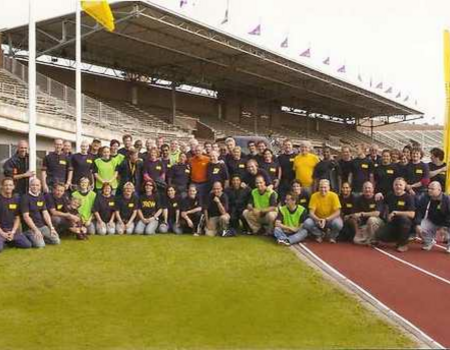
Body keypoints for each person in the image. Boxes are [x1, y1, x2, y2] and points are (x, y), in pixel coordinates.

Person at [374, 177, 415, 252]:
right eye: (396, 184)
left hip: (405, 224)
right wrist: (379, 195)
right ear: (393, 186)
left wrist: (396, 212)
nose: (398, 186)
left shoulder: (409, 197)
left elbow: (412, 214)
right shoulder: (390, 195)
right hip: (393, 223)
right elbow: (382, 202)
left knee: (403, 218)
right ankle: (398, 238)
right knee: (379, 235)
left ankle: (403, 244)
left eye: (400, 185)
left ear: (404, 186)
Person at [21, 178, 60, 248]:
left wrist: (51, 227)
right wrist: (35, 230)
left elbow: (45, 213)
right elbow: (26, 217)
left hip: (41, 226)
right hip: (30, 228)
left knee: (56, 241)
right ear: (29, 186)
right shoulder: (25, 198)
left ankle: (41, 238)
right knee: (40, 245)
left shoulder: (41, 196)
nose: (35, 187)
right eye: (33, 185)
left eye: (37, 185)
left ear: (40, 186)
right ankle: (27, 236)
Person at [303, 179, 343, 243]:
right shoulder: (314, 196)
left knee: (338, 224)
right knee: (307, 223)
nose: (323, 189)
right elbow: (311, 212)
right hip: (317, 219)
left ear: (329, 188)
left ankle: (332, 237)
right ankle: (319, 234)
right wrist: (318, 219)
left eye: (325, 187)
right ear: (318, 188)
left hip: (330, 219)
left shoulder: (334, 196)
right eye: (321, 187)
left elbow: (338, 212)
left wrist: (326, 219)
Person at [415, 181, 450, 252]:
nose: (429, 190)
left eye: (432, 189)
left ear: (439, 190)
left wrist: (445, 226)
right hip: (432, 221)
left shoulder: (447, 199)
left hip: (446, 223)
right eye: (429, 188)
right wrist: (418, 223)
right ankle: (429, 242)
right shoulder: (424, 197)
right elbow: (419, 211)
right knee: (420, 227)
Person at [0, 178, 31, 252]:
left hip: (12, 231)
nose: (8, 187)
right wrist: (2, 233)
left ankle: (8, 240)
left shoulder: (16, 199)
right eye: (6, 185)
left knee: (27, 245)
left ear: (13, 187)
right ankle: (4, 240)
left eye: (10, 185)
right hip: (1, 231)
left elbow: (17, 217)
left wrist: (13, 232)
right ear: (1, 186)